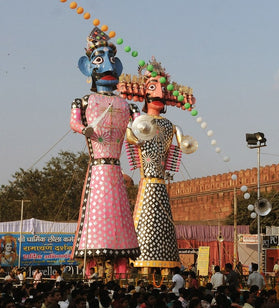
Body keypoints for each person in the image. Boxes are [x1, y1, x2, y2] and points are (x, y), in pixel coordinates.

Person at [69, 27, 140, 261]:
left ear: (117, 67)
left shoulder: (127, 106)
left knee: (120, 217)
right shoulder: (83, 102)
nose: (108, 66)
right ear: (87, 67)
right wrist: (84, 129)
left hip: (115, 168)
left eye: (111, 61)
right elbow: (75, 123)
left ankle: (120, 263)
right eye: (100, 60)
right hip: (99, 167)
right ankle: (92, 262)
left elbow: (140, 129)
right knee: (96, 214)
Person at [124, 57, 196, 268]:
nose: (159, 94)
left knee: (163, 226)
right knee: (145, 222)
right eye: (153, 87)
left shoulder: (170, 125)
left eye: (162, 89)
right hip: (147, 183)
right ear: (143, 91)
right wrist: (135, 123)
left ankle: (165, 264)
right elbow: (129, 136)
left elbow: (185, 144)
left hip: (161, 184)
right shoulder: (138, 120)